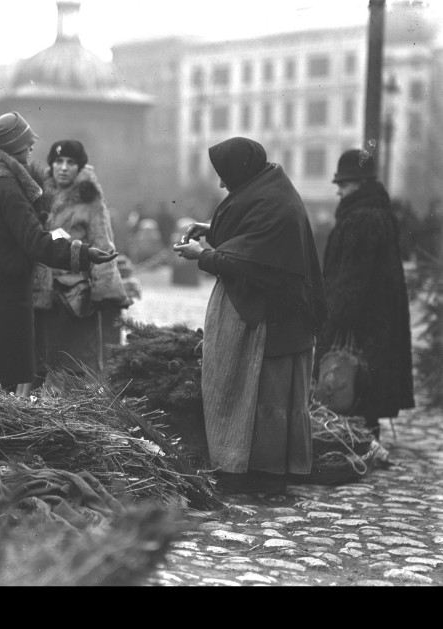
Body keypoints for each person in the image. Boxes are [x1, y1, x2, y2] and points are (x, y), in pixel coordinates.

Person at [173, 137, 327, 494]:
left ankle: (265, 476)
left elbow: (252, 260)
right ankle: (260, 470)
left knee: (267, 396)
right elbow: (252, 237)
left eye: (225, 175)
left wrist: (203, 255)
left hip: (274, 323)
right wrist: (210, 229)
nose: (223, 184)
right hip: (279, 319)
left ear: (241, 170)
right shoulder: (269, 190)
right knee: (264, 396)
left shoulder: (274, 204)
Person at [0, 112, 118, 396]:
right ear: (14, 146)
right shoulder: (9, 190)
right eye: (26, 143)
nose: (31, 149)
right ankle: (0, 435)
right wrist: (82, 254)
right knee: (7, 378)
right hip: (9, 294)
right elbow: (35, 242)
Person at [316, 149, 414, 439]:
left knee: (350, 375)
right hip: (379, 316)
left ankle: (355, 439)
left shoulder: (359, 219)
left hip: (360, 318)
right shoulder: (380, 215)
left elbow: (350, 278)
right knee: (367, 376)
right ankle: (366, 432)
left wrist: (333, 319)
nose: (339, 192)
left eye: (343, 185)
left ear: (360, 184)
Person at [35, 140, 132, 389]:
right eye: (59, 162)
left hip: (73, 297)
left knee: (73, 367)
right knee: (38, 365)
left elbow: (103, 244)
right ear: (51, 165)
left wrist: (107, 295)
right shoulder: (38, 194)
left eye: (71, 163)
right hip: (40, 294)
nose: (64, 168)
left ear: (79, 168)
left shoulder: (91, 200)